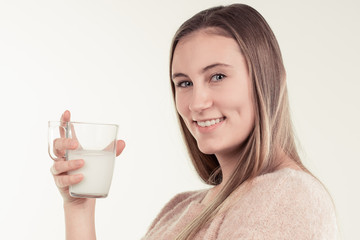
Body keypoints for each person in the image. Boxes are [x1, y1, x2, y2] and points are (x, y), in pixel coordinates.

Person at [50, 3, 338, 240]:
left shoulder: (289, 196)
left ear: (271, 81)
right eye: (184, 83)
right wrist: (79, 208)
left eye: (217, 77)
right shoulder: (179, 208)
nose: (197, 103)